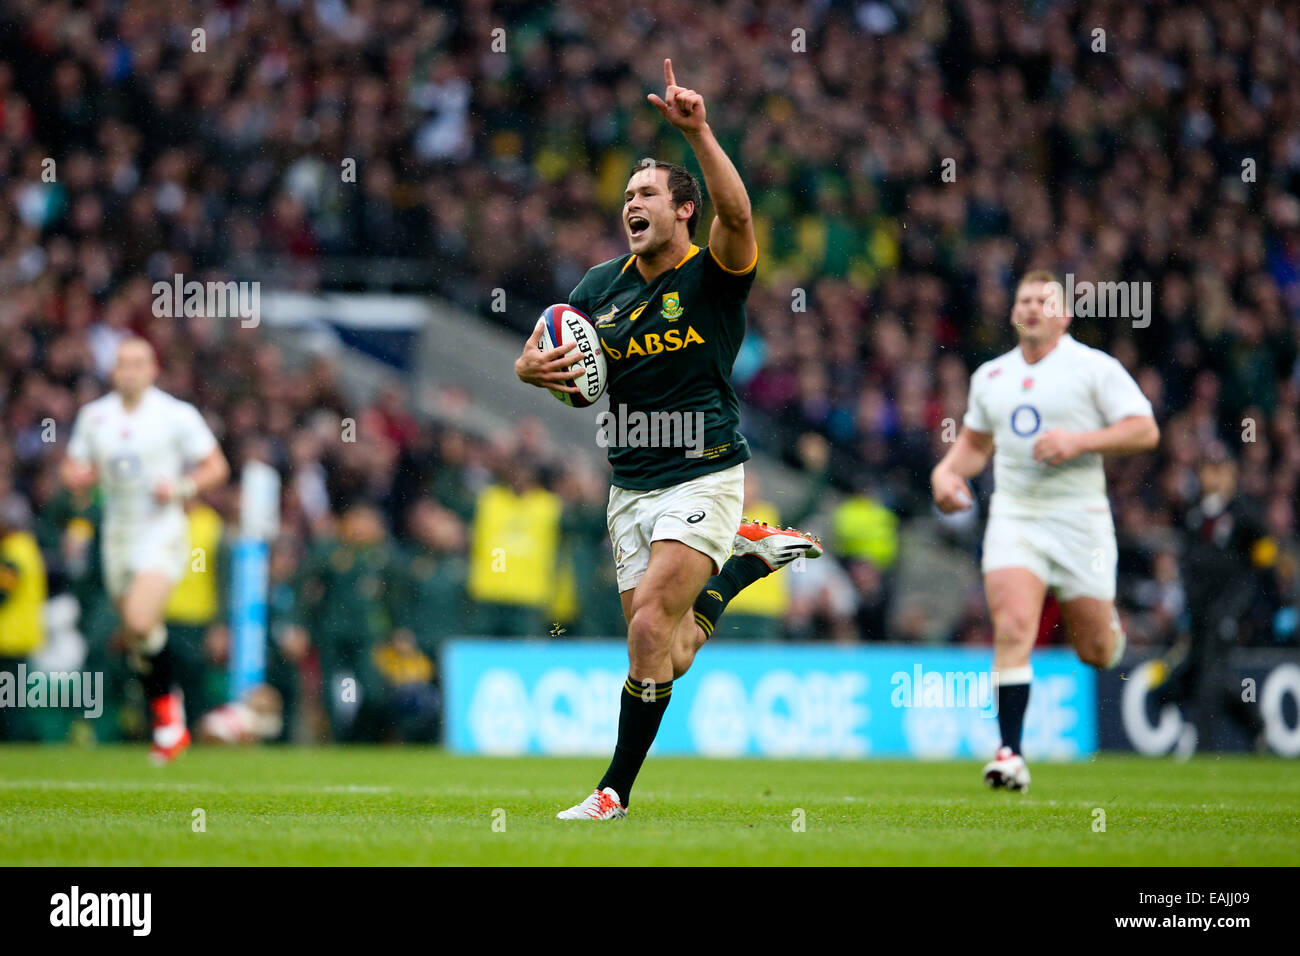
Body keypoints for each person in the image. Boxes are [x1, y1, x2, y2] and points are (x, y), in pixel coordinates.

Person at [515, 60, 821, 820]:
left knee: (650, 624)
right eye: (625, 197)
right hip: (630, 484)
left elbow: (742, 218)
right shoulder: (598, 288)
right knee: (666, 648)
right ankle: (743, 565)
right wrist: (527, 367)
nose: (632, 206)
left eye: (647, 193)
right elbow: (537, 352)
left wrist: (698, 132)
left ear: (685, 209)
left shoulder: (714, 275)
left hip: (704, 472)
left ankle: (613, 791)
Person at [931, 271, 1160, 792]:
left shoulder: (1093, 369)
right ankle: (1010, 753)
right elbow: (974, 443)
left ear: (1064, 315)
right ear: (1013, 313)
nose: (1031, 306)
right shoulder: (991, 376)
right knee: (1013, 628)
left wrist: (1079, 442)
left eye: (1043, 299)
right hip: (1016, 516)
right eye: (1024, 299)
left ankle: (1110, 630)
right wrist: (947, 473)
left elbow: (1144, 428)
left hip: (1080, 518)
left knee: (1096, 651)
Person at [60, 338, 229, 763]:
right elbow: (72, 465)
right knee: (138, 637)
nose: (129, 371)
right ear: (113, 370)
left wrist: (182, 487)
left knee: (138, 619)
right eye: (122, 363)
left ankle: (169, 717)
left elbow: (217, 466)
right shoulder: (94, 416)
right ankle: (170, 722)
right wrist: (77, 477)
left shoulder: (175, 415)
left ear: (153, 370)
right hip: (116, 533)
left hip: (161, 529)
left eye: (137, 363)